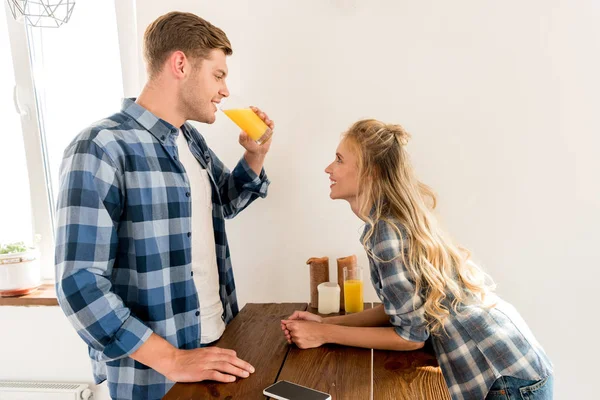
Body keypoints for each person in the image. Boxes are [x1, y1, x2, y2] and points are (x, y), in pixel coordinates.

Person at [55, 11, 274, 400]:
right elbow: (79, 282)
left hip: (216, 344)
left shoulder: (190, 141)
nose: (225, 91)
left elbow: (224, 202)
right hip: (154, 373)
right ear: (180, 64)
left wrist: (255, 156)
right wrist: (172, 358)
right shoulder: (101, 146)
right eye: (219, 75)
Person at [281, 119, 553, 400]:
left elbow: (410, 337)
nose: (329, 168)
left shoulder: (385, 232)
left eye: (339, 159)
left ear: (370, 171)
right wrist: (325, 325)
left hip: (504, 377)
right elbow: (401, 310)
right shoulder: (386, 223)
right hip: (513, 364)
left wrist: (324, 335)